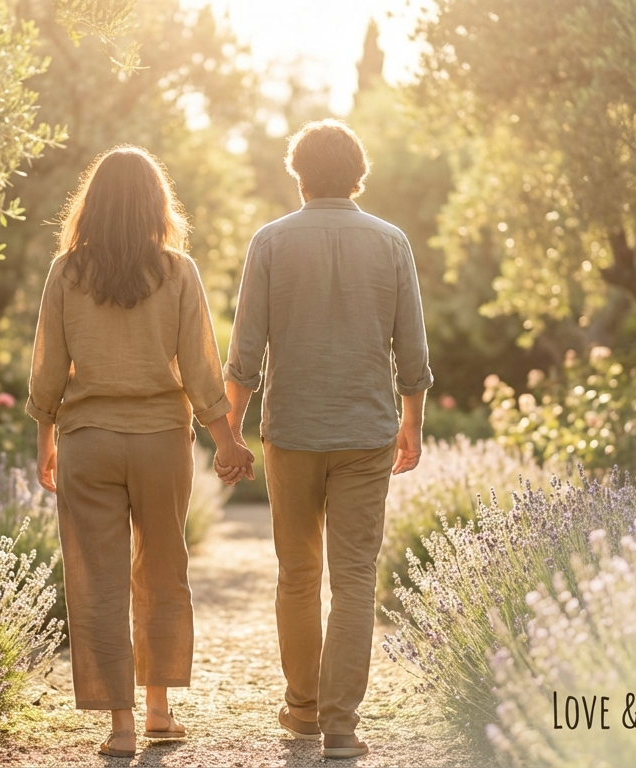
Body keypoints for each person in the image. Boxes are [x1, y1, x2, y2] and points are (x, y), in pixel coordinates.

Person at [26, 146, 255, 758]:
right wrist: (228, 438)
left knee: (95, 579)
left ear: (92, 204)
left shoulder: (66, 272)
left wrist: (45, 437)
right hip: (161, 441)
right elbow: (203, 369)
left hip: (87, 441)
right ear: (158, 204)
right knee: (162, 569)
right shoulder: (178, 271)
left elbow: (48, 367)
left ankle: (120, 725)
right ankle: (159, 707)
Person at [221, 119, 433, 760]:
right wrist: (412, 424)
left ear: (299, 175)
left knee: (297, 574)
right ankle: (341, 725)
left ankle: (304, 707)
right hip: (366, 435)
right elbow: (413, 351)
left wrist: (229, 431)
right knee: (354, 578)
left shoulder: (270, 242)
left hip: (291, 433)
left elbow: (244, 352)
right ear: (358, 174)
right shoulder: (392, 242)